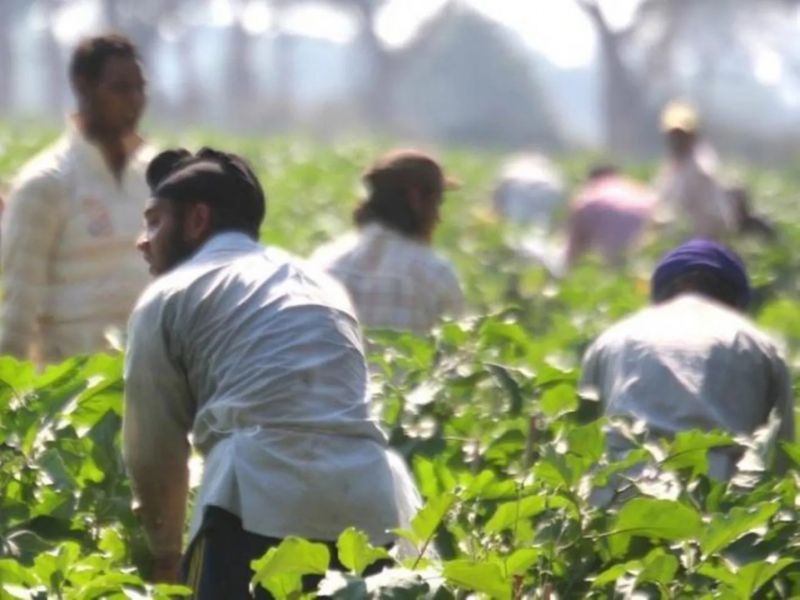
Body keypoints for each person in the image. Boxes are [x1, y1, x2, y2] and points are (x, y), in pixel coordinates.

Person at [123, 147, 421, 597]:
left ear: (197, 219)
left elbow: (153, 454)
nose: (143, 239)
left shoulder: (171, 294)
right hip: (368, 506)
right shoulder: (318, 282)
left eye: (155, 220)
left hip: (255, 505)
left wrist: (166, 557)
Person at [580, 239, 794, 480]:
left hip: (623, 488)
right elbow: (781, 456)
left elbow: (581, 436)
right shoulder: (758, 345)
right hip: (714, 493)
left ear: (661, 295)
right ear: (735, 302)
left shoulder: (613, 338)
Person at [0, 34, 154, 364]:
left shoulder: (153, 178)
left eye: (140, 88)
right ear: (83, 87)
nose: (134, 101)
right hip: (73, 392)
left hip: (144, 376)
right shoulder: (46, 184)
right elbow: (17, 310)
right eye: (120, 88)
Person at [310, 149, 464, 334]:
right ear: (416, 199)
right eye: (437, 203)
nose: (439, 217)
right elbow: (457, 345)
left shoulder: (324, 262)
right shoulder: (436, 274)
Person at [655, 101, 736, 240]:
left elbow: (714, 219)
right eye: (673, 136)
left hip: (699, 242)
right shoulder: (674, 165)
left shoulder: (701, 168)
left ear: (693, 136)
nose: (676, 141)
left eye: (681, 135)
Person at [565, 165, 655, 268]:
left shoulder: (590, 194)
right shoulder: (636, 187)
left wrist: (569, 263)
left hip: (609, 244)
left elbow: (574, 244)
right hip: (642, 240)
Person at [491, 153, 564, 229]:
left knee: (515, 225)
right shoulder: (548, 170)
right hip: (547, 193)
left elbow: (497, 196)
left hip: (518, 193)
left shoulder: (513, 168)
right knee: (541, 225)